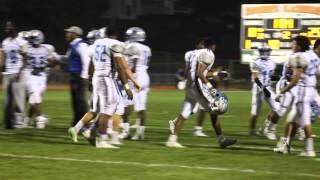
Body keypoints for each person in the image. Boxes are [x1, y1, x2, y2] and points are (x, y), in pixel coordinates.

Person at [68, 26, 140, 148]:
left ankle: (80, 129)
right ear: (115, 35)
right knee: (109, 109)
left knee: (96, 109)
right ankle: (102, 139)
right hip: (107, 78)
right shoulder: (115, 44)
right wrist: (127, 86)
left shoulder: (96, 44)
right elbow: (122, 67)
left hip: (97, 77)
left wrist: (91, 80)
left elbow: (91, 64)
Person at [165, 38, 237, 148]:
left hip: (189, 85)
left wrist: (214, 74)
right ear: (213, 46)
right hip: (197, 85)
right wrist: (210, 87)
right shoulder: (208, 54)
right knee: (215, 109)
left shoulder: (193, 53)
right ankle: (221, 139)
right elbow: (200, 73)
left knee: (185, 112)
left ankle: (172, 139)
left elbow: (192, 71)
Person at [274, 36, 320, 157]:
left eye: (293, 44)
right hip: (311, 90)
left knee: (305, 121)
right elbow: (317, 75)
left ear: (299, 46)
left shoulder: (299, 57)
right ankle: (286, 146)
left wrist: (281, 92)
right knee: (292, 119)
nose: (291, 46)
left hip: (302, 91)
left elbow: (295, 80)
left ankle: (309, 150)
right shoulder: (314, 56)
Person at [120, 27, 151, 140]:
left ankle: (126, 131)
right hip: (145, 76)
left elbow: (131, 65)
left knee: (125, 104)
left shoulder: (130, 46)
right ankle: (140, 133)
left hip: (134, 76)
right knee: (141, 107)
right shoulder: (147, 48)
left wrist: (126, 77)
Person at [23, 30, 57, 128]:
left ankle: (27, 120)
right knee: (35, 96)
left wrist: (51, 61)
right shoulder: (27, 48)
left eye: (33, 38)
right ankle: (40, 118)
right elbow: (23, 58)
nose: (31, 40)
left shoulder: (47, 48)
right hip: (31, 75)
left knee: (34, 99)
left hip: (42, 76)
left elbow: (53, 63)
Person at [0, 21, 28, 129]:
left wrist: (20, 72)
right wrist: (1, 72)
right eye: (6, 27)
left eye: (9, 27)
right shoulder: (5, 42)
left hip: (18, 73)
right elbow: (3, 59)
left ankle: (20, 122)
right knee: (7, 100)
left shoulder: (22, 41)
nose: (7, 28)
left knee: (19, 99)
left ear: (14, 28)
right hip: (8, 73)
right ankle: (8, 122)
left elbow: (26, 59)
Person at [248, 45, 279, 137]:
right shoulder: (255, 62)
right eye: (263, 51)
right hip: (258, 89)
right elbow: (256, 78)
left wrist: (277, 78)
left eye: (266, 51)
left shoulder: (272, 62)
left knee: (276, 108)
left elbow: (269, 76)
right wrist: (264, 89)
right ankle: (252, 130)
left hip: (268, 87)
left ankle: (265, 128)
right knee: (255, 113)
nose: (265, 53)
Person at [64, 26, 90, 126]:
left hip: (79, 76)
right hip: (74, 76)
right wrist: (55, 57)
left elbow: (86, 61)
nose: (67, 34)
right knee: (75, 100)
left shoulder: (81, 45)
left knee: (80, 100)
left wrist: (84, 76)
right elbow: (66, 58)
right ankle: (76, 121)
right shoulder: (72, 45)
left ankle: (85, 122)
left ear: (75, 34)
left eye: (69, 32)